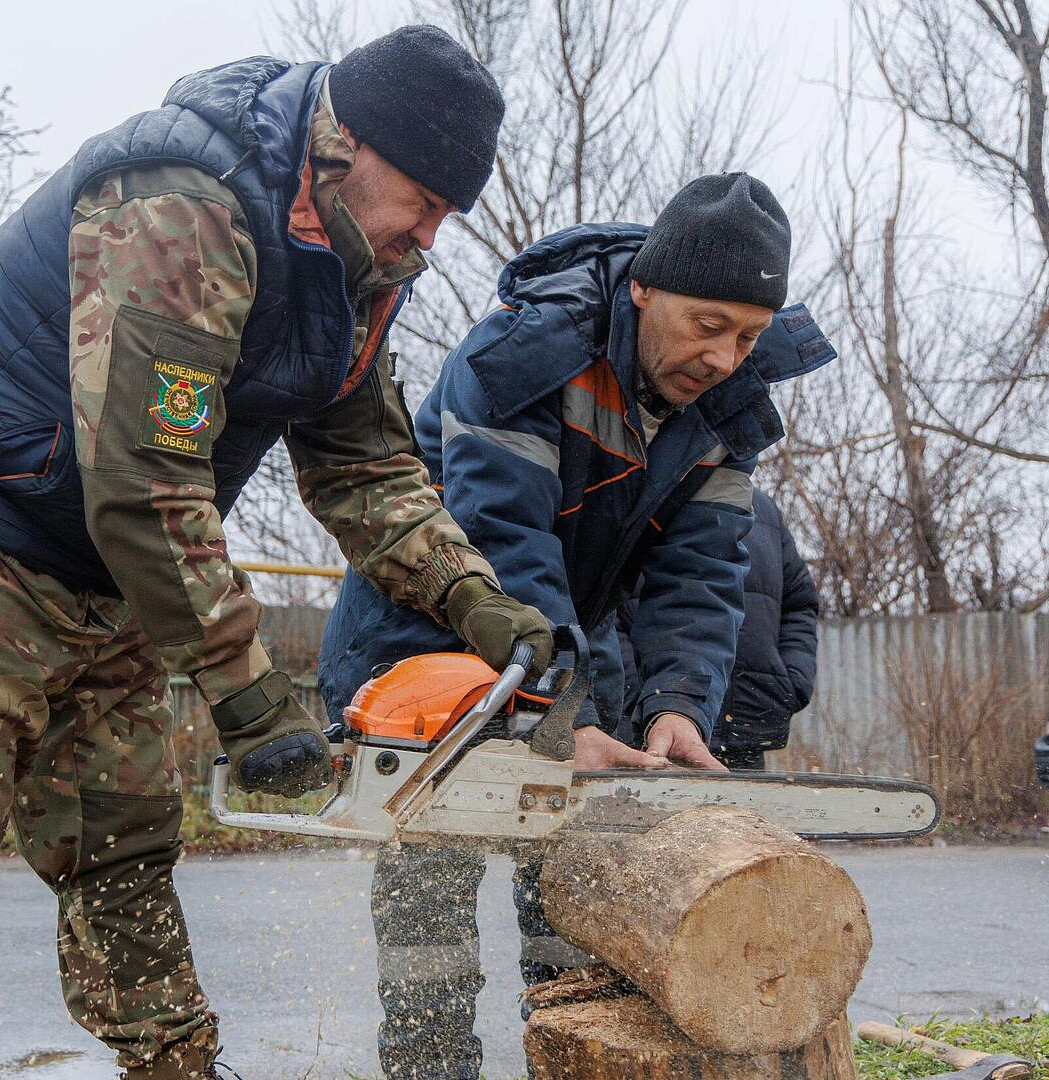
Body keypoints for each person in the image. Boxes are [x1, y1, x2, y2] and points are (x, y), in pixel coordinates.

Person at [0, 25, 551, 1080]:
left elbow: (368, 469)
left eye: (447, 216)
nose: (428, 237)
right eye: (424, 202)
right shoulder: (181, 205)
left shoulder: (359, 265)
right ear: (347, 147)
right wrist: (247, 695)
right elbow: (144, 475)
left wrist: (478, 600)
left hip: (116, 561)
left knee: (121, 843)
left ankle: (177, 1068)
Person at [316, 174, 836, 1079]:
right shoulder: (530, 350)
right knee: (431, 900)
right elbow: (503, 538)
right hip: (430, 637)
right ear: (644, 286)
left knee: (572, 885)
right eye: (707, 325)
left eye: (747, 337)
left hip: (571, 649)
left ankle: (564, 1055)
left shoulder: (724, 409)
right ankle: (431, 1068)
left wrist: (678, 707)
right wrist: (567, 713)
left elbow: (701, 573)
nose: (723, 356)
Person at [619, 484, 820, 769]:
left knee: (745, 815)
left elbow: (800, 602)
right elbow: (599, 607)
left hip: (745, 729)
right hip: (650, 735)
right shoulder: (636, 490)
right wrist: (648, 696)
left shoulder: (761, 509)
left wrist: (792, 681)